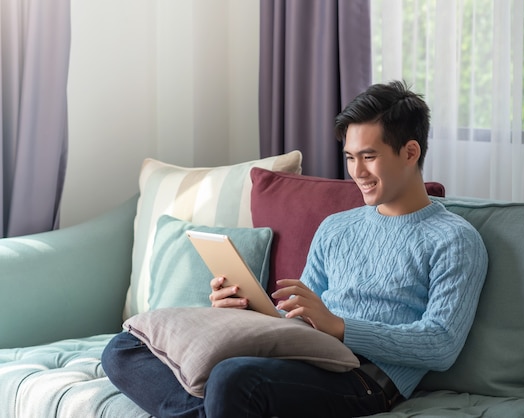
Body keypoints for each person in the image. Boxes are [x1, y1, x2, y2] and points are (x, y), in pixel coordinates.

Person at [102, 80, 488, 418]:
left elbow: (441, 345)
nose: (357, 172)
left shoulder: (454, 239)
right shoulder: (337, 227)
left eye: (369, 157)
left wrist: (341, 328)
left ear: (410, 152)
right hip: (302, 355)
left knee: (233, 379)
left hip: (364, 378)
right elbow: (299, 318)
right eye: (350, 158)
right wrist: (252, 312)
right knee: (125, 348)